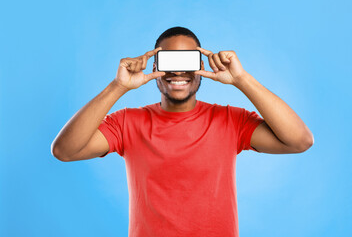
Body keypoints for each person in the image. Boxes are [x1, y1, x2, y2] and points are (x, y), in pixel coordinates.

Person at [51, 26, 314, 237]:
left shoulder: (230, 120)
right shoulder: (128, 122)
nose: (178, 71)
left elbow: (300, 141)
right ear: (155, 67)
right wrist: (118, 87)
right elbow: (64, 150)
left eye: (187, 61)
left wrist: (241, 80)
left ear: (202, 67)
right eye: (169, 61)